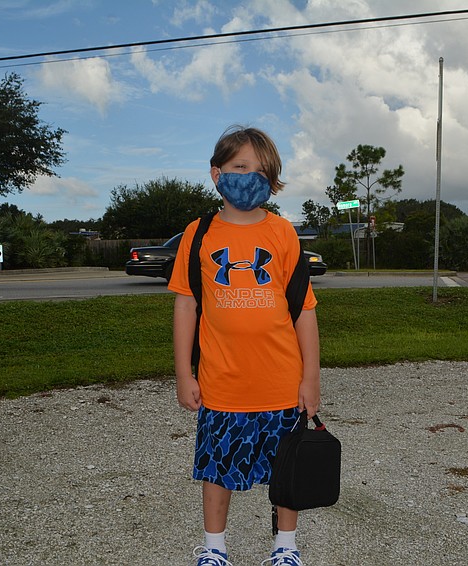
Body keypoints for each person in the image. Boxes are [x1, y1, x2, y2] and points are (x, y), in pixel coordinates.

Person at [169, 125, 321, 566]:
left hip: (281, 383)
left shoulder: (283, 234)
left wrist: (310, 378)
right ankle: (215, 549)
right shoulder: (199, 234)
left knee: (286, 471)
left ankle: (285, 549)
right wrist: (184, 374)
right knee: (217, 471)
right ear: (217, 173)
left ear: (272, 183)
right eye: (240, 166)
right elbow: (186, 307)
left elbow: (304, 311)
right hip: (222, 384)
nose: (250, 176)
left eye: (262, 171)